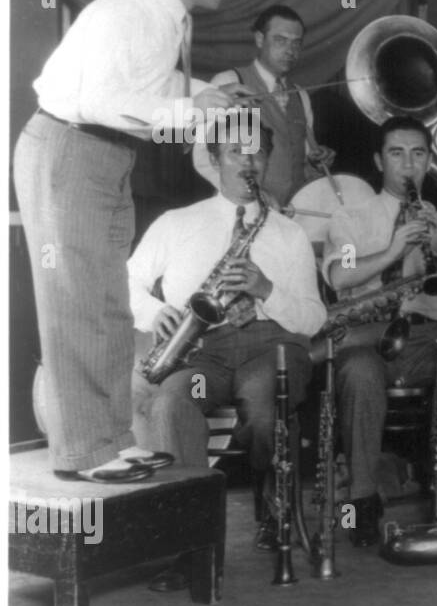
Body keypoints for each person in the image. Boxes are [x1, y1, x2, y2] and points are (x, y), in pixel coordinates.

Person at [13, 0, 249, 481]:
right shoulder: (136, 13)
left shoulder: (164, 15)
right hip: (73, 147)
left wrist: (207, 94)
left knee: (106, 300)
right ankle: (89, 452)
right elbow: (101, 100)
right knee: (80, 302)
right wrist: (191, 109)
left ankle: (108, 440)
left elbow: (146, 86)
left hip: (103, 152)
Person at [130, 120, 326, 573]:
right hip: (202, 352)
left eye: (257, 153)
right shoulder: (178, 223)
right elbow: (127, 281)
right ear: (215, 159)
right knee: (172, 405)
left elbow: (314, 318)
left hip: (271, 348)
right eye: (236, 151)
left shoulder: (288, 234)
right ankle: (191, 539)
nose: (248, 162)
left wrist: (265, 289)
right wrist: (153, 311)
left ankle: (272, 497)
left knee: (263, 410)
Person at [322, 116, 437, 546]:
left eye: (418, 154)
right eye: (397, 154)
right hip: (365, 336)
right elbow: (340, 276)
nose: (408, 165)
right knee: (359, 376)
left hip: (426, 338)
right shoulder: (351, 217)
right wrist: (393, 250)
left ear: (429, 162)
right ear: (378, 160)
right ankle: (362, 501)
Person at [191, 4, 335, 205]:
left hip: (293, 214)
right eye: (280, 40)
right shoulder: (229, 82)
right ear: (260, 39)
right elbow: (203, 158)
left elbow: (302, 162)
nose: (290, 50)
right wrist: (250, 194)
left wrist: (315, 163)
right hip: (243, 209)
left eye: (296, 43)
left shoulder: (301, 95)